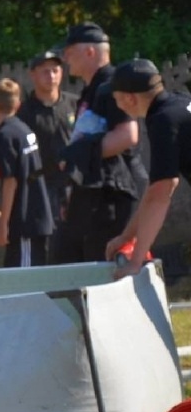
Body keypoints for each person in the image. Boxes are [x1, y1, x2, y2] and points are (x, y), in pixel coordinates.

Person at [58, 22, 143, 261]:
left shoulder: (111, 84)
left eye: (70, 51)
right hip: (91, 197)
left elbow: (127, 135)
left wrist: (78, 156)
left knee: (102, 272)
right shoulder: (91, 89)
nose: (65, 58)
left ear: (90, 52)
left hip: (111, 197)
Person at [105, 60, 191, 276]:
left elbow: (161, 194)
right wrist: (127, 237)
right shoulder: (179, 103)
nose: (117, 106)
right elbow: (155, 190)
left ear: (130, 98)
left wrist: (135, 263)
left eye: (116, 99)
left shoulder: (163, 121)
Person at [0, 79, 53, 267]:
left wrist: (3, 225)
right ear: (17, 105)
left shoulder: (4, 136)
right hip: (38, 213)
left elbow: (11, 181)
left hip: (24, 222)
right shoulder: (24, 130)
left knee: (24, 282)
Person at [17, 48, 78, 231]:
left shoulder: (75, 104)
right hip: (44, 186)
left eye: (55, 70)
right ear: (33, 75)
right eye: (45, 71)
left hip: (75, 182)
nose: (51, 75)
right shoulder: (25, 113)